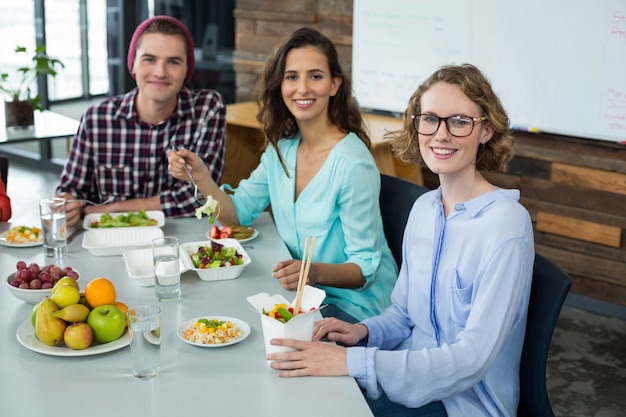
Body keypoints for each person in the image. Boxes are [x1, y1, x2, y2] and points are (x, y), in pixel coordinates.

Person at [265, 64, 535, 417]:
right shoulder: (424, 209)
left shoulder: (505, 224)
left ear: (485, 130)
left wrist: (353, 361)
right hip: (406, 378)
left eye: (459, 121)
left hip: (462, 405)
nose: (440, 134)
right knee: (293, 386)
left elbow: (471, 359)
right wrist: (361, 331)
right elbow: (404, 315)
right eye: (429, 119)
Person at [168, 27, 398, 322]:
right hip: (300, 295)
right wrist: (199, 175)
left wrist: (311, 271)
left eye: (315, 76)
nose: (302, 88)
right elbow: (237, 213)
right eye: (292, 77)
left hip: (355, 309)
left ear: (334, 85)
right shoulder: (283, 149)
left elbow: (364, 269)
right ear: (280, 85)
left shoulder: (353, 164)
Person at [56, 15, 226, 228]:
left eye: (173, 62)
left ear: (186, 71)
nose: (160, 72)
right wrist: (67, 205)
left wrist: (113, 208)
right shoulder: (97, 118)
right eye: (149, 59)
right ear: (133, 65)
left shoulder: (207, 108)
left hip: (182, 240)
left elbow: (202, 196)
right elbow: (73, 190)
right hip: (108, 239)